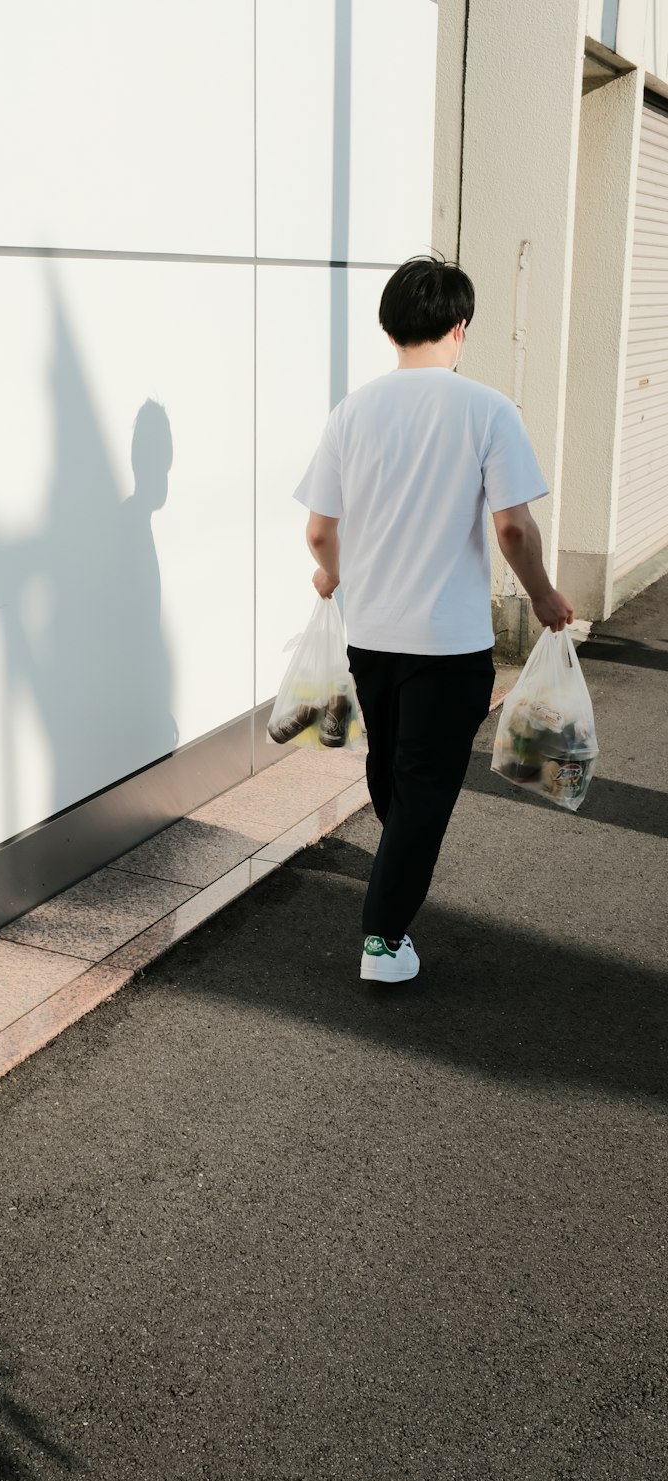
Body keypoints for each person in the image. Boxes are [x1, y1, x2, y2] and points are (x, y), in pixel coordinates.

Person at [293, 253, 573, 985]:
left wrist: (335, 574)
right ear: (460, 327)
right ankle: (383, 940)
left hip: (372, 636)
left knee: (390, 771)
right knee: (421, 785)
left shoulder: (351, 412)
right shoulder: (487, 409)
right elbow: (513, 528)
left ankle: (397, 868)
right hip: (449, 644)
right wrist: (542, 595)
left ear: (391, 328)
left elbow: (321, 532)